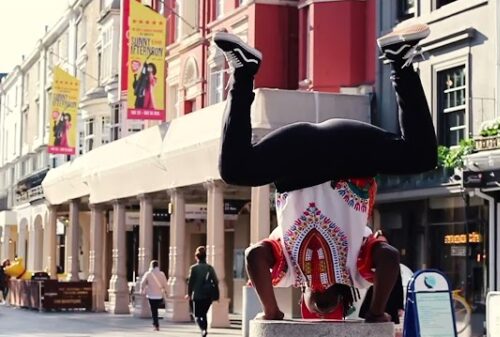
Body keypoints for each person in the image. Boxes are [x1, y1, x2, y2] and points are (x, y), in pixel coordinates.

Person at [215, 20, 437, 323]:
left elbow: (390, 257)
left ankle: (400, 62)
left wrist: (376, 311)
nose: (313, 295)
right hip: (304, 159)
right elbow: (254, 255)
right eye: (318, 303)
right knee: (234, 170)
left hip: (345, 151)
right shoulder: (301, 272)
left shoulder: (357, 272)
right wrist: (272, 310)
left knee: (420, 157)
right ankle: (243, 74)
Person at [186, 247, 219, 337]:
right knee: (203, 314)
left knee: (196, 315)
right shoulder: (209, 268)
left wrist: (189, 293)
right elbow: (216, 281)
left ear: (196, 257)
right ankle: (205, 329)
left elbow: (190, 283)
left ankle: (203, 330)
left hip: (196, 295)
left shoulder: (193, 268)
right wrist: (216, 294)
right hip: (208, 295)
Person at [140, 260, 168, 331]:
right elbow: (165, 284)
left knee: (154, 310)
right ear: (157, 266)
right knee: (156, 309)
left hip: (151, 295)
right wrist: (167, 292)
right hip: (159, 295)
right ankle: (156, 323)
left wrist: (142, 289)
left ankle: (156, 325)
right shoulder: (162, 274)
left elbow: (142, 283)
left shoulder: (148, 274)